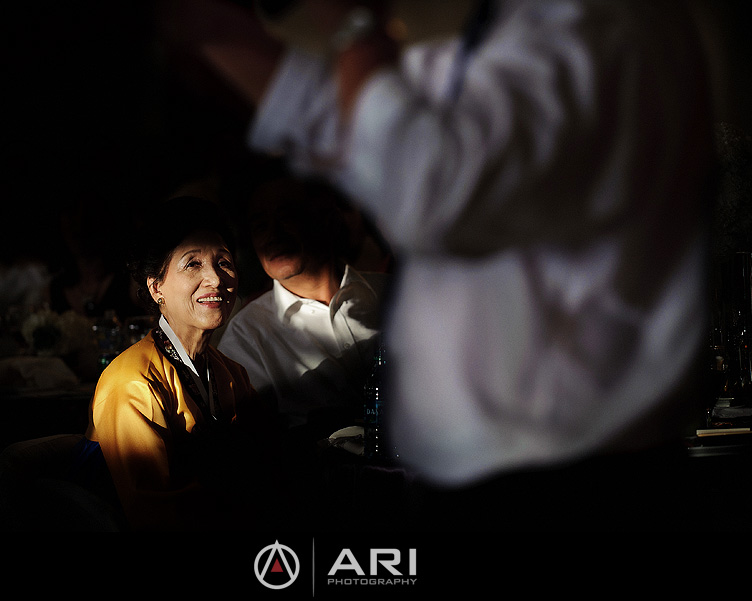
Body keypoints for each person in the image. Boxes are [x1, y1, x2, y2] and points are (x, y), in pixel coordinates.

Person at [162, 0, 718, 529]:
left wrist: (355, 25)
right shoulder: (501, 39)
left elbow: (425, 180)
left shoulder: (590, 21)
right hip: (491, 479)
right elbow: (358, 132)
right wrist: (209, 27)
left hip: (573, 483)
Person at [77, 195, 275, 531]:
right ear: (156, 288)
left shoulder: (231, 373)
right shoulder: (132, 383)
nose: (215, 279)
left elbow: (266, 460)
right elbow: (153, 512)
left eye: (224, 262)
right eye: (193, 264)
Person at [218, 176, 387, 434]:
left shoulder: (393, 294)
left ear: (327, 218)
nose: (273, 235)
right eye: (260, 226)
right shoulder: (247, 336)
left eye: (287, 217)